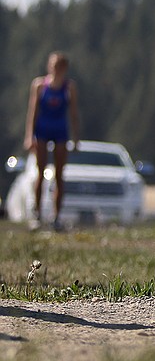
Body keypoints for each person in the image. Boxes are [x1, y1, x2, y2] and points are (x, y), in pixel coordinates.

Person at [23, 51, 81, 231]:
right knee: (40, 173)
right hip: (42, 130)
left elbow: (73, 113)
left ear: (65, 68)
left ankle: (56, 216)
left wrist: (76, 136)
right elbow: (33, 111)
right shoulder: (40, 85)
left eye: (60, 67)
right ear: (50, 66)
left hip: (60, 131)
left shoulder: (69, 87)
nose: (57, 70)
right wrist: (29, 135)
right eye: (54, 66)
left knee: (59, 175)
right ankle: (37, 214)